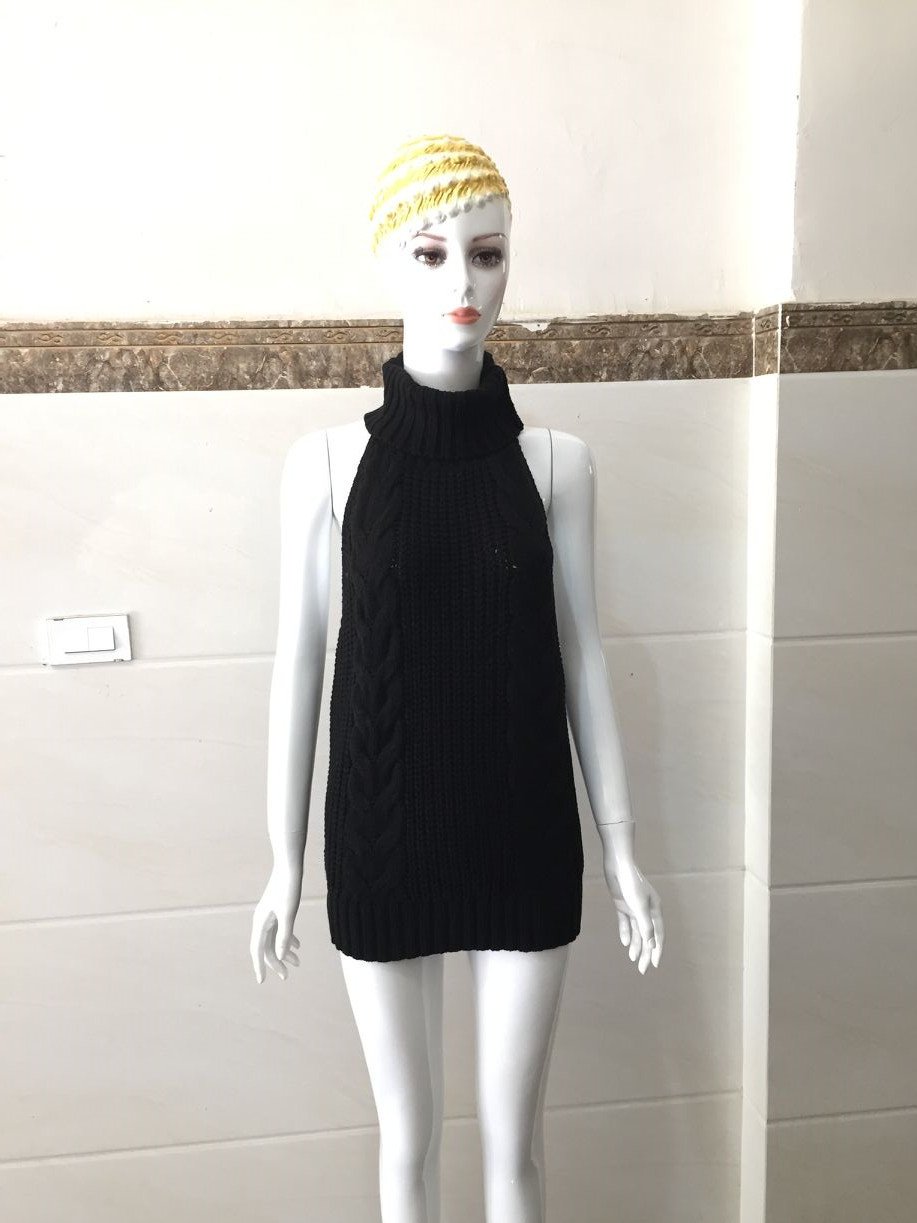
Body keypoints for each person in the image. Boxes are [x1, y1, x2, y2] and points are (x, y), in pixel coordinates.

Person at [250, 133, 664, 1223]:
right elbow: (299, 661)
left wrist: (620, 847)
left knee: (514, 1149)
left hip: (523, 833)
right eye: (430, 254)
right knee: (407, 1144)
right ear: (388, 261)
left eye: (486, 253)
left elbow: (581, 654)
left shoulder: (557, 463)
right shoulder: (326, 465)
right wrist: (283, 861)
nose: (463, 281)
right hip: (381, 834)